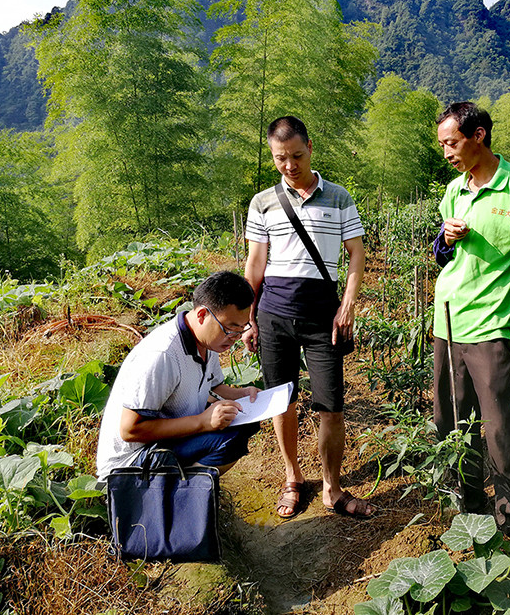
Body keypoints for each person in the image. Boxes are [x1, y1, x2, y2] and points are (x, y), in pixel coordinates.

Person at [431, 102, 510, 549]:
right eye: (442, 143)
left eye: (452, 142)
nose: (446, 152)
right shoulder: (454, 191)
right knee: (452, 421)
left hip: (490, 325)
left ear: (478, 135)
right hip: (446, 320)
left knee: (499, 428)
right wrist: (445, 238)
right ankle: (467, 507)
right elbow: (442, 256)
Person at [243, 115, 374, 519]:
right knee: (281, 402)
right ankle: (293, 476)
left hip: (323, 315)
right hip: (274, 314)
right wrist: (250, 319)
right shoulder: (263, 202)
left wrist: (348, 303)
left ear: (310, 148)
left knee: (331, 405)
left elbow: (355, 253)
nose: (289, 165)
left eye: (296, 156)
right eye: (281, 158)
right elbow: (255, 265)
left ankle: (332, 488)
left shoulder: (339, 197)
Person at [96, 270, 261, 481]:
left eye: (241, 329)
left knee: (246, 423)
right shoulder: (162, 355)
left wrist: (246, 394)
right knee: (230, 440)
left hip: (169, 437)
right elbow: (129, 430)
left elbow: (216, 387)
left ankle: (188, 488)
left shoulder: (207, 342)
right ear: (202, 315)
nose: (236, 338)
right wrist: (203, 422)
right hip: (132, 461)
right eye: (230, 329)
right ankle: (182, 496)